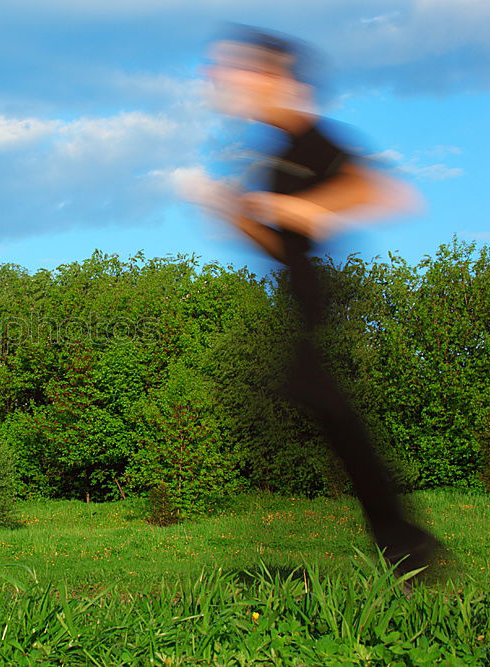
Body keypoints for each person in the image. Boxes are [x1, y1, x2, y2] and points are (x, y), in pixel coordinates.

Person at [189, 26, 443, 575]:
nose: (222, 80)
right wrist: (235, 214)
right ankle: (404, 542)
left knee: (332, 412)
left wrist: (305, 208)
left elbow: (382, 190)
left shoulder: (311, 140)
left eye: (235, 70)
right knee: (329, 414)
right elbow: (283, 250)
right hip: (302, 310)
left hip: (324, 315)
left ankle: (408, 543)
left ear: (274, 76)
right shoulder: (277, 157)